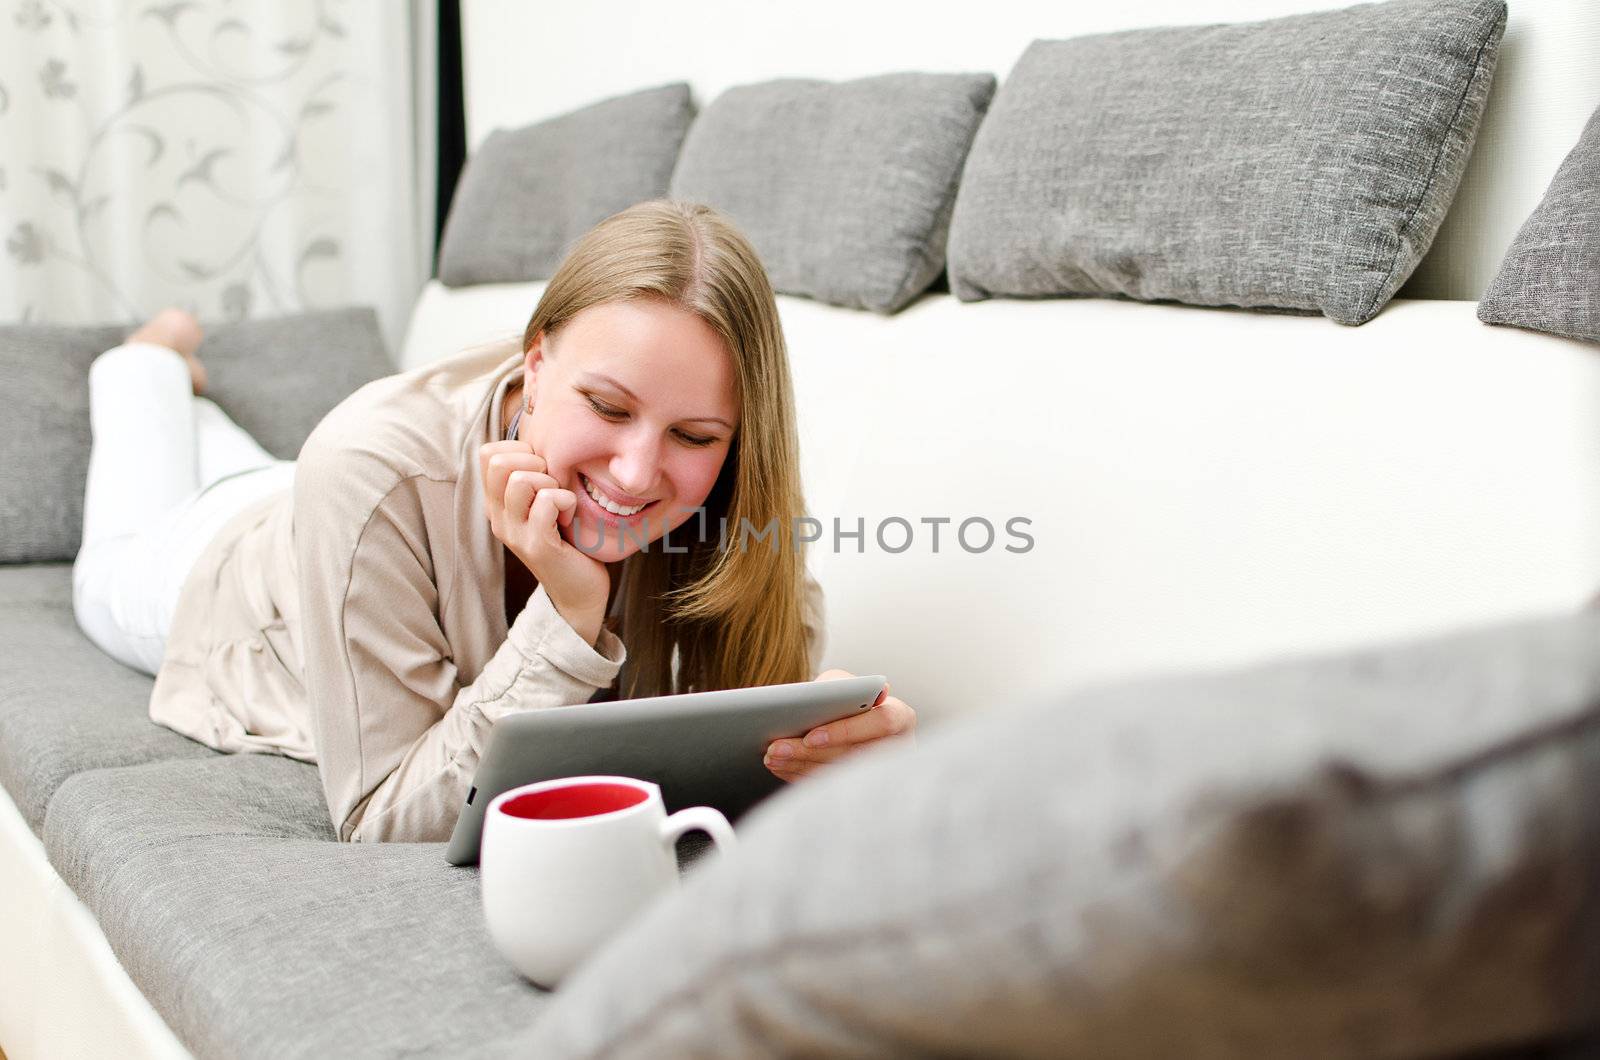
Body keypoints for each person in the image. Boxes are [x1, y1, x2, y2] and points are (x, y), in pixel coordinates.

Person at [72, 199, 917, 843]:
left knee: (253, 460)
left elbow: (757, 696)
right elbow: (382, 814)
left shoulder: (728, 489)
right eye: (607, 406)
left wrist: (836, 748)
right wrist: (569, 613)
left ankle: (183, 386)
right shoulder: (369, 468)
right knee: (116, 537)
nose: (635, 473)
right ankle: (149, 355)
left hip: (335, 504)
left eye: (694, 436)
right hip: (218, 572)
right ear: (538, 362)